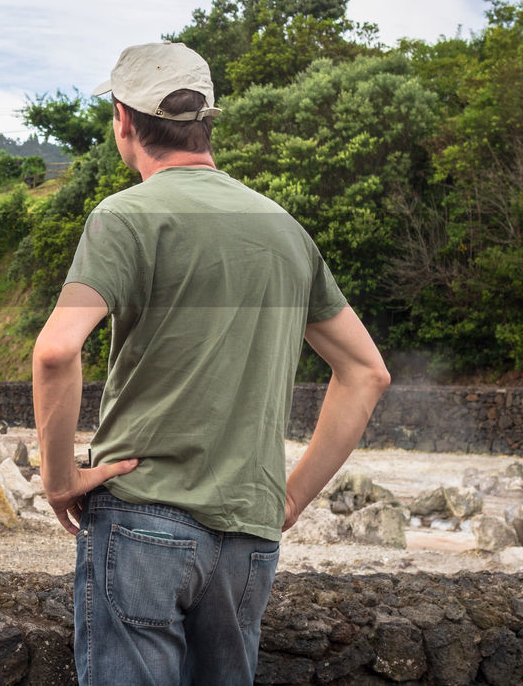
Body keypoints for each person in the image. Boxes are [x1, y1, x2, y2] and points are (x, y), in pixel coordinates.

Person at [31, 42, 390, 685]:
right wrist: (292, 497)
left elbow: (57, 351)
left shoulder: (125, 217)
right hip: (249, 536)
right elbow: (367, 373)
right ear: (206, 120)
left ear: (123, 120)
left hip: (142, 514)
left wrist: (59, 479)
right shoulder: (284, 230)